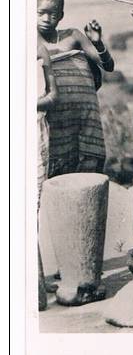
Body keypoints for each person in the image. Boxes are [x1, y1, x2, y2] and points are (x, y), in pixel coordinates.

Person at [36, 0, 114, 177]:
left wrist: (98, 43)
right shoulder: (25, 41)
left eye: (53, 14)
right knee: (53, 168)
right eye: (41, 13)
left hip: (84, 114)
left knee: (85, 168)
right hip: (54, 114)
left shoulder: (73, 35)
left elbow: (108, 66)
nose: (47, 19)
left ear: (61, 15)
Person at [37, 44, 59, 304]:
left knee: (33, 205)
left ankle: (37, 283)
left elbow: (53, 96)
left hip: (35, 129)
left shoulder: (38, 49)